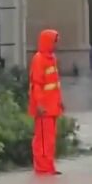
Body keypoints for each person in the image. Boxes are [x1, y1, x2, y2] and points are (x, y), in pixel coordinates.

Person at [28, 29, 65, 175]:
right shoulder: (39, 59)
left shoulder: (51, 58)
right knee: (42, 140)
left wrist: (59, 101)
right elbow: (36, 84)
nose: (56, 45)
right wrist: (39, 104)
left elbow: (55, 83)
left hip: (52, 106)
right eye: (54, 41)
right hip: (44, 108)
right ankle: (42, 167)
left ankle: (48, 166)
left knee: (49, 140)